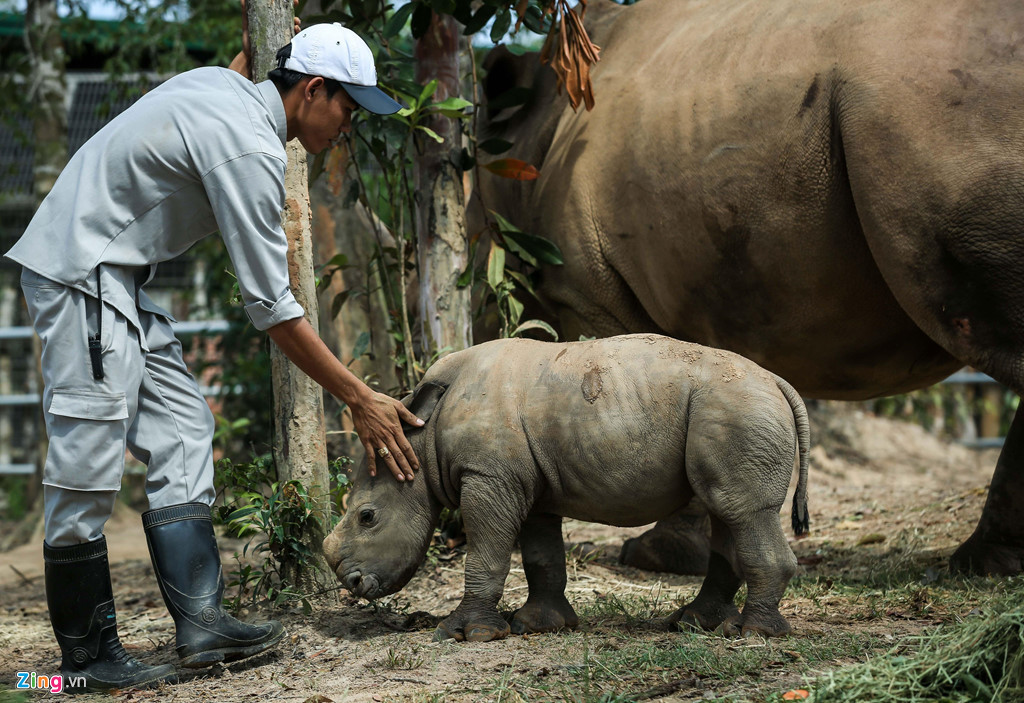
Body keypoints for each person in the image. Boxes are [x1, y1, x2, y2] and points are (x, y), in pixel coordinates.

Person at [5, 22, 420, 692]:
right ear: (312, 90)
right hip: (80, 269)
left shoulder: (229, 92)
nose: (349, 125)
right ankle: (84, 664)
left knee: (184, 426)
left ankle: (202, 621)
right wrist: (359, 397)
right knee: (86, 462)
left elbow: (245, 62)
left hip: (118, 278)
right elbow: (275, 311)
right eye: (348, 106)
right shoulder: (248, 147)